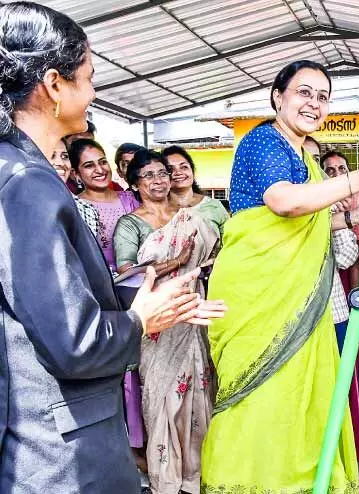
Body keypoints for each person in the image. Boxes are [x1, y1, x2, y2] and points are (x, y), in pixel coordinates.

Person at [0, 3, 225, 493]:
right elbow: (76, 343)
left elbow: (48, 301)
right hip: (61, 453)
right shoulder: (26, 183)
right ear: (54, 84)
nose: (96, 91)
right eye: (89, 76)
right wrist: (144, 319)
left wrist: (151, 299)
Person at [199, 60, 359, 493]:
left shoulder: (306, 156)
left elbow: (319, 221)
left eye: (323, 97)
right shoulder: (262, 141)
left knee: (302, 395)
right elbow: (284, 203)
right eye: (304, 92)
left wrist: (351, 204)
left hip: (302, 295)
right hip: (258, 292)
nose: (314, 103)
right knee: (261, 395)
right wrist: (354, 180)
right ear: (278, 96)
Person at [114, 149, 222, 494]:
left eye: (162, 173)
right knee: (163, 400)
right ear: (134, 184)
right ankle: (167, 480)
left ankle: (196, 476)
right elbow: (125, 275)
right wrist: (175, 262)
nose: (159, 180)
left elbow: (215, 254)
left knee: (201, 394)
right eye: (149, 176)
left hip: (194, 312)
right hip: (158, 319)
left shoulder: (191, 215)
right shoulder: (130, 223)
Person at [70, 138, 141, 272]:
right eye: (89, 165)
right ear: (75, 173)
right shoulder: (75, 207)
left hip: (142, 278)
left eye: (103, 162)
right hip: (100, 286)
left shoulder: (132, 199)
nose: (100, 170)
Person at [321, 149, 359, 293]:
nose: (337, 174)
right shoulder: (320, 203)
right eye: (330, 170)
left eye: (342, 168)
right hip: (331, 275)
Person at [162, 145, 228, 236]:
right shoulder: (159, 210)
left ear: (192, 171)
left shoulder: (214, 206)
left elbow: (230, 242)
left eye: (184, 167)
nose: (178, 173)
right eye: (170, 169)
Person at [49, 137, 100, 235]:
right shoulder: (20, 204)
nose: (61, 163)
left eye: (64, 156)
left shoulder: (86, 210)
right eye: (52, 155)